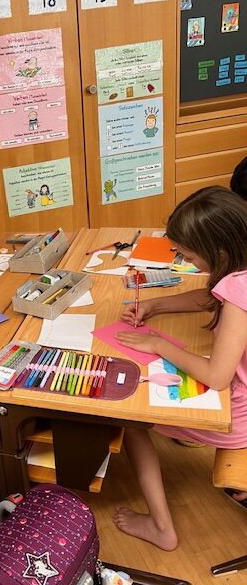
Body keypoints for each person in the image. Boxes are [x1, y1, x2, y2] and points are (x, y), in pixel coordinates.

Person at [115, 186, 247, 551]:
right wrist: (155, 306)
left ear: (219, 250)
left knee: (130, 416)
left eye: (188, 256)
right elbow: (212, 296)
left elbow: (218, 377)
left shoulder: (238, 290)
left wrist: (160, 345)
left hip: (237, 417)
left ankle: (161, 528)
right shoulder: (239, 272)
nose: (185, 262)